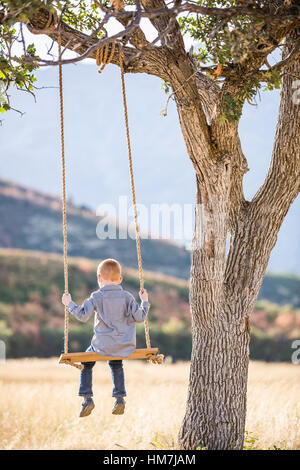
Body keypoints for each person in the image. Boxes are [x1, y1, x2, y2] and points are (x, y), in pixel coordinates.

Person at [62, 258, 149, 417]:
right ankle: (120, 398)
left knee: (86, 362)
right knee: (116, 363)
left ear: (99, 278)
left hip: (102, 346)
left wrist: (69, 304)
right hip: (124, 345)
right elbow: (140, 317)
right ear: (120, 279)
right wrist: (145, 302)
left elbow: (82, 315)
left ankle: (87, 399)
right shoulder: (128, 297)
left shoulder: (96, 296)